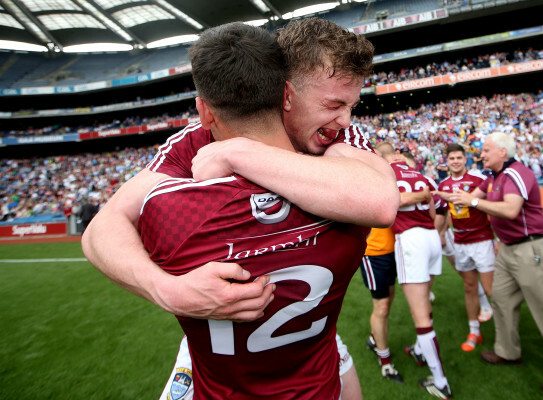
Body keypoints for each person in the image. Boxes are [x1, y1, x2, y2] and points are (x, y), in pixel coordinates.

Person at [83, 17, 398, 400]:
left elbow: (381, 201)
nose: (346, 120)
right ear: (286, 94)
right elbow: (104, 227)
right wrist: (165, 289)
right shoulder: (199, 138)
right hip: (221, 357)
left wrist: (241, 152)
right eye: (333, 104)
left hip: (311, 340)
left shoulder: (335, 136)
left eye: (351, 105)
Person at [448, 132, 543, 396]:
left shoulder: (515, 173)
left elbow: (510, 209)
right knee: (500, 299)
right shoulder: (493, 176)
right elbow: (463, 196)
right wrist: (434, 192)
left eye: (486, 150)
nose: (482, 154)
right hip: (510, 249)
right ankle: (507, 351)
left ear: (503, 151)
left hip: (530, 248)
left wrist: (473, 201)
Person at [376, 142, 452, 400]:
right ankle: (421, 349)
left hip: (411, 240)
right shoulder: (418, 174)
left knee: (419, 315)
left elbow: (384, 205)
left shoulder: (384, 174)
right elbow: (433, 210)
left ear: (379, 157)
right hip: (430, 237)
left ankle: (440, 381)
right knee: (425, 304)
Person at [433, 143, 495, 352]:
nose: (456, 161)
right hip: (460, 242)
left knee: (490, 289)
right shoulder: (444, 185)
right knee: (469, 287)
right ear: (447, 161)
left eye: (459, 158)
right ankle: (474, 331)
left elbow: (493, 207)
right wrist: (440, 233)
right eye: (452, 159)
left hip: (481, 240)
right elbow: (445, 214)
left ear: (465, 158)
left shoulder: (478, 181)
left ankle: (505, 331)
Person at [361, 226, 403, 383]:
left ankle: (374, 339)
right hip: (372, 252)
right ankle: (385, 362)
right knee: (382, 306)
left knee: (389, 298)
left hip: (393, 248)